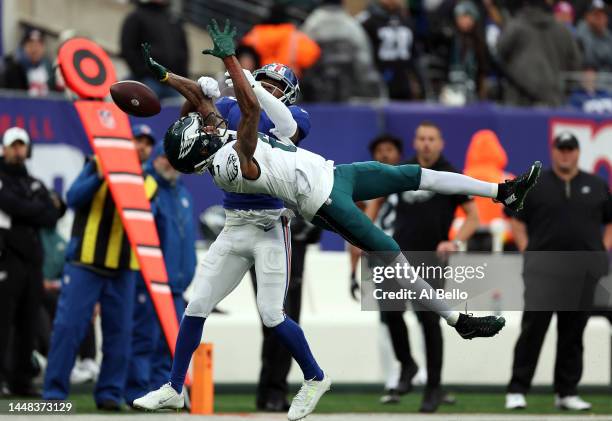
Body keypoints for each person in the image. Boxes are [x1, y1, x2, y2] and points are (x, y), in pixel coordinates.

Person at [132, 19, 541, 417]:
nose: (210, 123)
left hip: (333, 175)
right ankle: (458, 320)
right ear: (204, 147)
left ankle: (503, 192)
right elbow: (248, 113)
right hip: (320, 203)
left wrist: (168, 76)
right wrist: (232, 65)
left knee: (412, 173)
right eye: (206, 129)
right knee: (389, 252)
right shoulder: (233, 159)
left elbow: (218, 108)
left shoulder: (234, 132)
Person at [199, 60, 313, 411]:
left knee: (280, 313)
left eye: (276, 85)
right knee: (263, 315)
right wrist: (200, 95)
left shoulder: (296, 117)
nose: (267, 88)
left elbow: (288, 127)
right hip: (238, 218)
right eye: (263, 81)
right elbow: (201, 124)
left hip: (274, 221)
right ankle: (267, 391)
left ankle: (277, 389)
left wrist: (255, 88)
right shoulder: (230, 108)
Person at [43, 128, 157, 410]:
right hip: (85, 262)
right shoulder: (97, 162)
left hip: (124, 268)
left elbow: (147, 223)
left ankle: (109, 393)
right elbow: (73, 197)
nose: (141, 147)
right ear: (125, 142)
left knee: (120, 334)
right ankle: (54, 393)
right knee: (69, 328)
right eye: (137, 141)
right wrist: (102, 176)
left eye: (147, 144)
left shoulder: (150, 184)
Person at [505, 132, 612, 411]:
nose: (565, 154)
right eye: (561, 149)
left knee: (573, 333)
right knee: (533, 330)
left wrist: (602, 247)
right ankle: (517, 388)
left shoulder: (597, 185)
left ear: (577, 152)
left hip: (584, 271)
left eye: (570, 149)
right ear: (554, 151)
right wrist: (527, 248)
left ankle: (566, 391)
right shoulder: (536, 185)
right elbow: (516, 220)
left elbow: (610, 220)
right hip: (543, 271)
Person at [379, 122, 479, 412]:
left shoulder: (451, 174)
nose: (425, 144)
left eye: (431, 139)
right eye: (421, 138)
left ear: (441, 143)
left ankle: (433, 387)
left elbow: (473, 218)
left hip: (432, 259)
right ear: (415, 141)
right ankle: (408, 365)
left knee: (429, 322)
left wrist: (454, 243)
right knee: (389, 313)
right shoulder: (405, 169)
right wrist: (364, 232)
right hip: (397, 255)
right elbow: (377, 201)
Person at [124, 138, 196, 406]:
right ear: (155, 160)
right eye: (165, 157)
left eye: (174, 158)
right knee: (144, 340)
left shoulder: (182, 193)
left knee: (171, 344)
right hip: (151, 282)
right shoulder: (150, 187)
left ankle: (162, 392)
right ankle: (136, 393)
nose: (170, 163)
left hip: (176, 286)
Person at [0, 127, 60, 396]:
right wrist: (36, 208)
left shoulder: (34, 181)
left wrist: (33, 210)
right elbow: (16, 206)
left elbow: (51, 215)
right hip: (6, 260)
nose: (17, 150)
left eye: (21, 145)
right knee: (2, 321)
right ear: (4, 148)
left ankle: (21, 381)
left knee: (28, 323)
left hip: (32, 263)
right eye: (12, 145)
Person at [497, 0, 582, 106]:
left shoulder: (515, 27)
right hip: (552, 102)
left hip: (517, 104)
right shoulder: (563, 31)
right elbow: (575, 67)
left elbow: (498, 57)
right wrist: (562, 93)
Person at [301, 0, 382, 101]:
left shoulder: (311, 24)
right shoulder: (352, 25)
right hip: (346, 93)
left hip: (315, 95)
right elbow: (364, 63)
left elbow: (300, 58)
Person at [120, 0, 188, 99]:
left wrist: (182, 76)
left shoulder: (174, 19)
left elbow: (183, 50)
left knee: (175, 113)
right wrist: (142, 72)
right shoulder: (137, 16)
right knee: (143, 112)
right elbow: (128, 47)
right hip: (148, 81)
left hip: (173, 84)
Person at [358, 0, 420, 99]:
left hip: (403, 81)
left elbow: (414, 55)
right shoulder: (367, 20)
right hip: (379, 81)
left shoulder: (406, 20)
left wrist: (417, 81)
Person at [241, 3, 321, 78]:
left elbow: (247, 56)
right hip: (286, 76)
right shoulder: (291, 34)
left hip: (269, 73)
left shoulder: (261, 32)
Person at [1, 28, 57, 96]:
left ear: (43, 48)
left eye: (38, 45)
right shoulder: (13, 70)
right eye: (30, 45)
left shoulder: (50, 69)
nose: (34, 49)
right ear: (23, 47)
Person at [576, 0, 612, 71]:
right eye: (596, 14)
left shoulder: (608, 35)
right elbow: (589, 60)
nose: (600, 18)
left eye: (603, 14)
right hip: (585, 76)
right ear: (587, 16)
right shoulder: (581, 32)